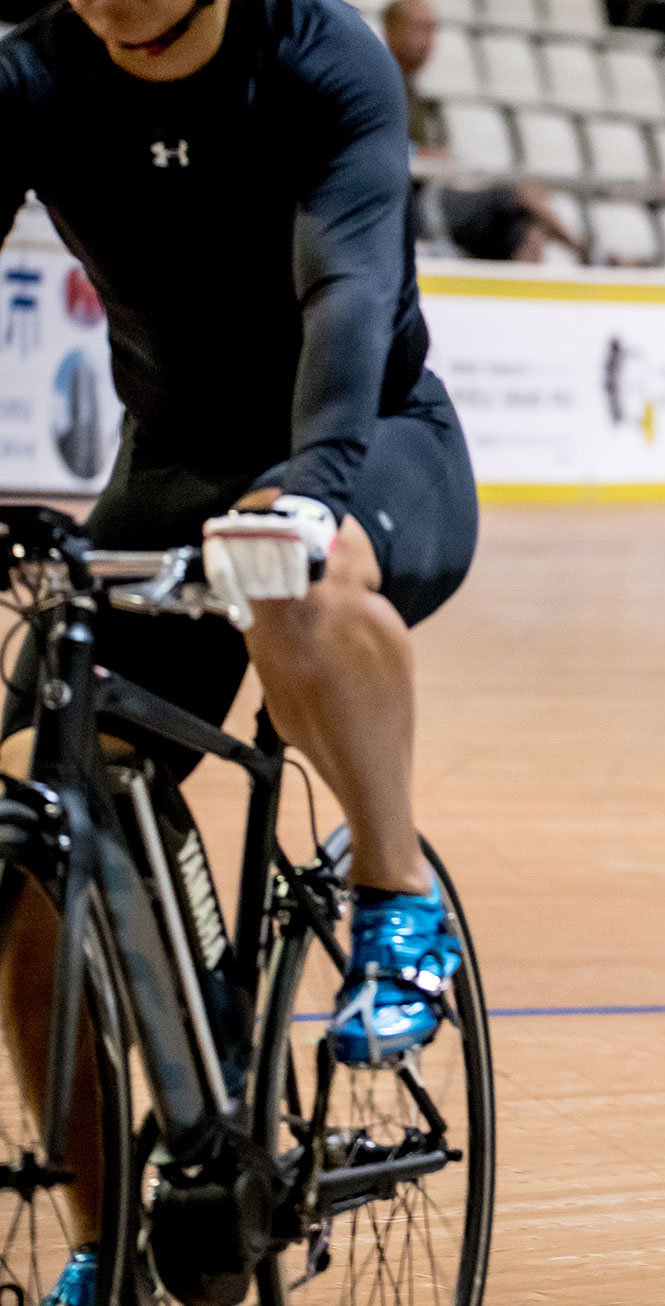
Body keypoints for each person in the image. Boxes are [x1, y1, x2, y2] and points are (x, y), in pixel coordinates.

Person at [0, 0, 478, 1294]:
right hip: (172, 461)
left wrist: (314, 482)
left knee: (297, 587)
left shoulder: (321, 58)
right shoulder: (34, 69)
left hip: (368, 432)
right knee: (34, 811)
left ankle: (397, 901)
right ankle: (118, 1236)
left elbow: (348, 292)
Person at [382, 0, 586, 262]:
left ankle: (526, 295)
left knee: (522, 230)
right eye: (419, 29)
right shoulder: (376, 84)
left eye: (433, 30)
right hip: (406, 205)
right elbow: (368, 146)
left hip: (429, 197)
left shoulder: (416, 94)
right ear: (391, 30)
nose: (429, 41)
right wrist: (422, 155)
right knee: (514, 193)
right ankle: (587, 251)